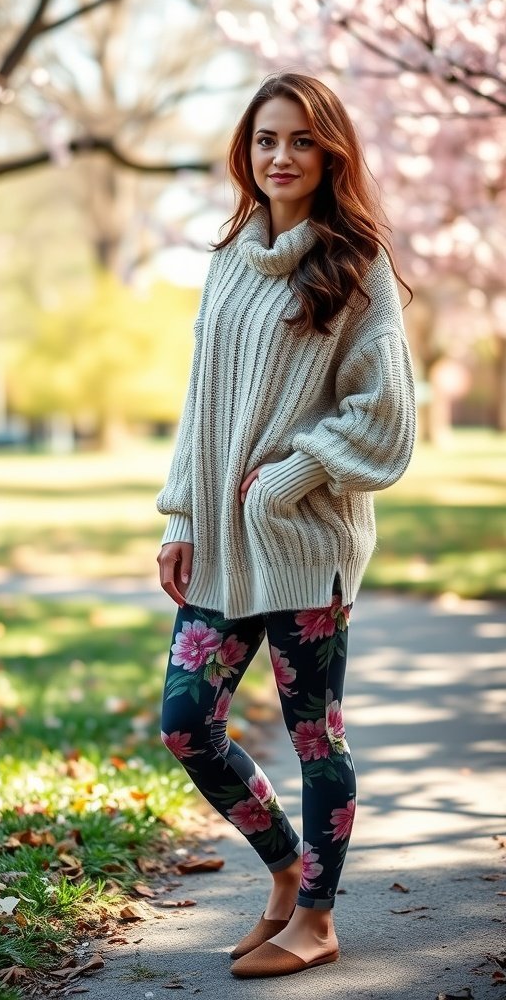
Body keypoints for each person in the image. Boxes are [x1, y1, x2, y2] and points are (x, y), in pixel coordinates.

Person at [156, 72, 415, 979]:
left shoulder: (356, 263)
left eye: (302, 140)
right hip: (224, 549)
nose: (281, 156)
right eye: (267, 138)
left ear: (330, 152)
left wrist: (293, 474)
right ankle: (281, 870)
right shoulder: (229, 256)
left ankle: (318, 917)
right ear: (246, 149)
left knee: (316, 735)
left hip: (307, 543)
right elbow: (202, 402)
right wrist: (182, 512)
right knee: (187, 722)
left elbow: (386, 414)